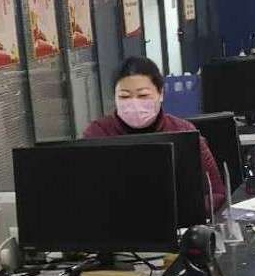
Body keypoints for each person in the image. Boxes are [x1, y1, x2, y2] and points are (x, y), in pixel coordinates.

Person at [84, 57, 226, 213]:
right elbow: (82, 193)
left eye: (143, 95)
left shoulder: (183, 130)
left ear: (161, 94)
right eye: (124, 96)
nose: (134, 103)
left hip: (178, 222)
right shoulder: (97, 133)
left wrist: (186, 213)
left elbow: (216, 192)